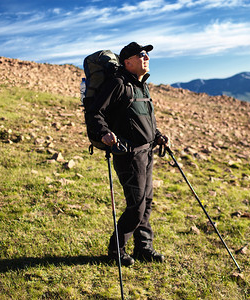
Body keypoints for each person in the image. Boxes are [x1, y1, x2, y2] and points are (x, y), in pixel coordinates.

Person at [87, 42, 169, 266]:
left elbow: (142, 118)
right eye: (141, 55)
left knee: (147, 201)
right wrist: (104, 133)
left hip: (147, 151)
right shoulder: (118, 83)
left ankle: (144, 247)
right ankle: (116, 250)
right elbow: (95, 113)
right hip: (129, 154)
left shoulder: (141, 85)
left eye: (147, 54)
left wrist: (158, 134)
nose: (146, 57)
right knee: (137, 205)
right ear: (128, 62)